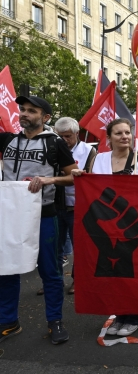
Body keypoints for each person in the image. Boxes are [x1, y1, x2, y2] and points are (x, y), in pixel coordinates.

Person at [0, 95, 78, 345]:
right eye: (22, 109)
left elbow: (74, 177)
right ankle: (8, 322)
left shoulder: (55, 143)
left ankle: (55, 321)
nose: (24, 114)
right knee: (7, 269)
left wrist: (49, 180)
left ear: (45, 118)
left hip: (44, 214)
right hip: (10, 215)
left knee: (50, 271)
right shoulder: (8, 139)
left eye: (31, 111)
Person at [72, 118, 138, 337]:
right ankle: (119, 315)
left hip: (132, 229)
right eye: (118, 133)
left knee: (131, 272)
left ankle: (135, 317)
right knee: (112, 275)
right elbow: (91, 186)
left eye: (127, 132)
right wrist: (81, 177)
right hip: (106, 230)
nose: (125, 136)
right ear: (108, 139)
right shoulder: (99, 159)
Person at [54, 117, 97, 295]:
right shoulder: (52, 147)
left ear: (77, 134)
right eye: (60, 136)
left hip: (78, 207)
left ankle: (77, 280)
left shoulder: (89, 151)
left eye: (67, 136)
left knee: (79, 248)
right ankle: (54, 280)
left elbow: (92, 177)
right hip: (56, 205)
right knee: (54, 247)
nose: (64, 140)